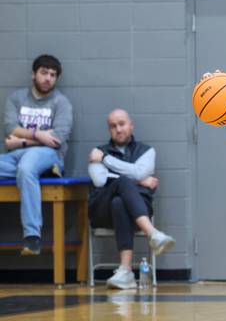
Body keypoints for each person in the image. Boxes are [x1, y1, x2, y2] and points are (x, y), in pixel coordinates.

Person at [88, 109, 176, 290]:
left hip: (137, 210)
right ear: (109, 130)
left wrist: (106, 161)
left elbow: (139, 171)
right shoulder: (97, 151)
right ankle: (152, 233)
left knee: (119, 202)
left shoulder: (147, 151)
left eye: (121, 124)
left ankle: (125, 271)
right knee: (121, 183)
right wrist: (138, 179)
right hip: (102, 212)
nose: (118, 129)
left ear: (131, 125)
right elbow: (99, 180)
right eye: (113, 126)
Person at [1, 54, 73, 255]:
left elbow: (57, 138)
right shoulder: (16, 98)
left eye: (52, 74)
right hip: (16, 155)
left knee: (26, 169)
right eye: (44, 73)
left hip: (48, 154)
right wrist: (39, 134)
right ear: (34, 74)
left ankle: (32, 237)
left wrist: (22, 140)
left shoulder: (62, 103)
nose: (48, 78)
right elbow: (10, 127)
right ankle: (47, 172)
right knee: (24, 169)